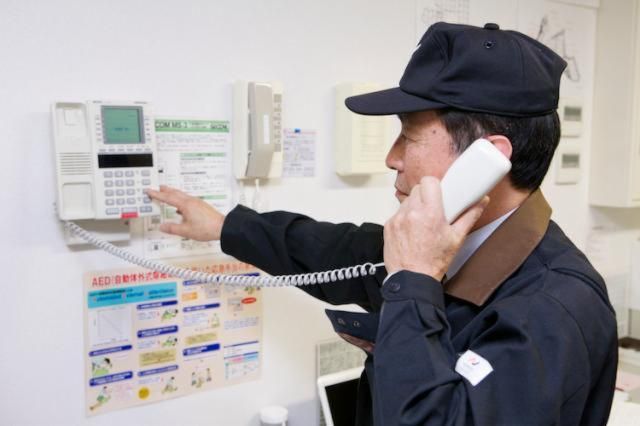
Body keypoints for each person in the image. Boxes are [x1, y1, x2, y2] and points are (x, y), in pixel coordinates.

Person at [146, 22, 617, 425]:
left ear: (487, 160)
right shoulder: (453, 247)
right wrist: (225, 227)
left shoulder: (551, 312)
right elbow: (331, 250)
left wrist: (413, 287)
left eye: (409, 137)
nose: (392, 158)